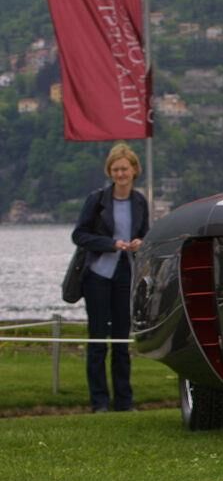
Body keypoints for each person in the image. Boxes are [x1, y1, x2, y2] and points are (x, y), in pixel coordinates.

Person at [72, 143, 149, 412]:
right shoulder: (97, 200)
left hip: (124, 275)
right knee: (97, 340)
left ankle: (124, 401)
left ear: (134, 170)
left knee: (120, 340)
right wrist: (110, 243)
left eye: (124, 169)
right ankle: (99, 401)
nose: (120, 174)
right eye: (115, 169)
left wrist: (140, 243)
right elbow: (79, 235)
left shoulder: (139, 201)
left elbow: (146, 234)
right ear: (110, 172)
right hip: (97, 275)